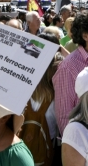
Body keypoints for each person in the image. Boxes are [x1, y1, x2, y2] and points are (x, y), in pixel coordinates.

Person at [19, 33, 64, 166]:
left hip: (19, 143)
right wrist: (58, 47)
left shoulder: (21, 85)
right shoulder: (56, 92)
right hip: (47, 146)